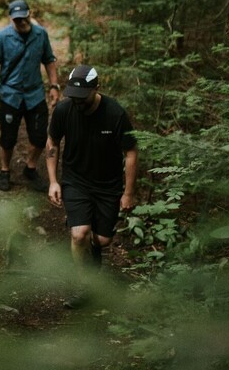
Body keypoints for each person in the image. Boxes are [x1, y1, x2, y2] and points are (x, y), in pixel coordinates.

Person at [45, 65, 138, 308]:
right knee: (80, 234)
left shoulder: (115, 113)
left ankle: (92, 249)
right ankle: (84, 285)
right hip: (76, 181)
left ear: (97, 88)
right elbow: (53, 141)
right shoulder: (65, 109)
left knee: (102, 240)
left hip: (109, 184)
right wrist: (54, 181)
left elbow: (130, 152)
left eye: (81, 96)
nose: (76, 101)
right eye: (72, 95)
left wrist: (128, 193)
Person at [0, 0, 59, 191]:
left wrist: (54, 86)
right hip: (11, 95)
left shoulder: (41, 34)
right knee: (8, 138)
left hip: (35, 94)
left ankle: (31, 167)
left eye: (24, 18)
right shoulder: (1, 37)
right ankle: (4, 170)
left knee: (40, 137)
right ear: (11, 19)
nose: (21, 22)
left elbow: (49, 60)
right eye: (17, 20)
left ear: (29, 14)